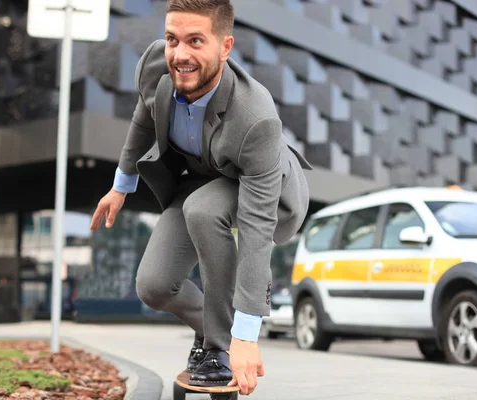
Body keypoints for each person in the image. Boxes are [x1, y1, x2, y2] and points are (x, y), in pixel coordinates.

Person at [90, 0, 311, 395]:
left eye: (196, 41)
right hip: (203, 176)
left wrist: (245, 336)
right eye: (173, 39)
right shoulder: (157, 64)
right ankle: (211, 330)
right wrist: (120, 185)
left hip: (263, 188)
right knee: (154, 286)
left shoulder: (256, 117)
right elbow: (145, 116)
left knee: (203, 209)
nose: (180, 55)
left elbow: (257, 230)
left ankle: (218, 346)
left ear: (225, 47)